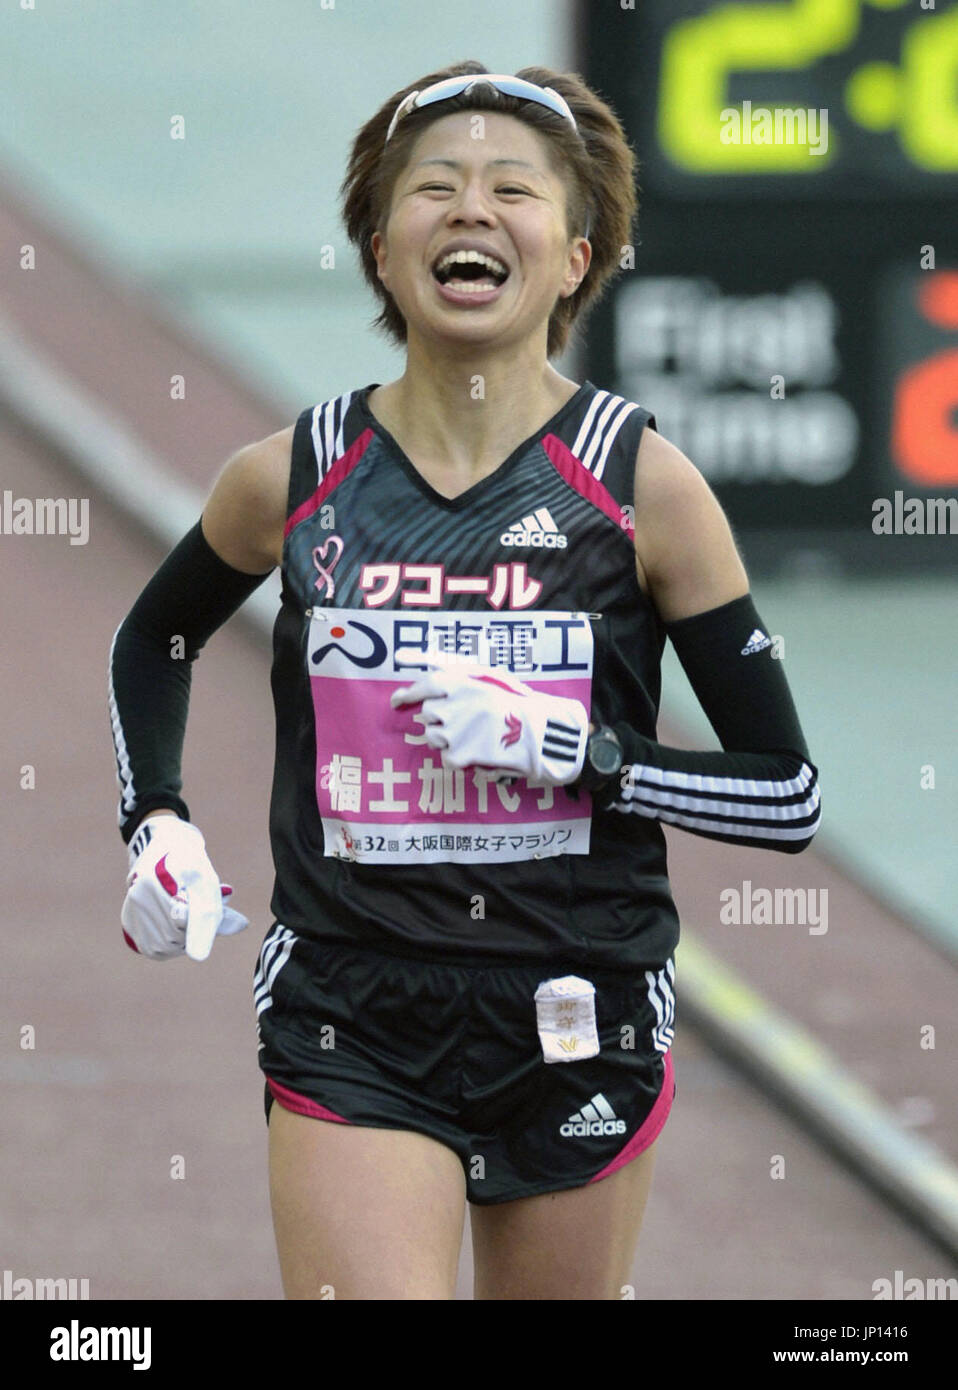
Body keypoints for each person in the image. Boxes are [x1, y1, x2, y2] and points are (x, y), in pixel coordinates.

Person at [108, 61, 821, 1301]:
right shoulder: (290, 474)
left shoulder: (643, 487)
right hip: (351, 1000)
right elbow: (153, 640)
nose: (471, 210)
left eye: (512, 190)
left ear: (575, 255)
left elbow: (786, 796)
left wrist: (581, 753)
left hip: (577, 1002)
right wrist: (154, 815)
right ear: (383, 252)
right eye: (434, 188)